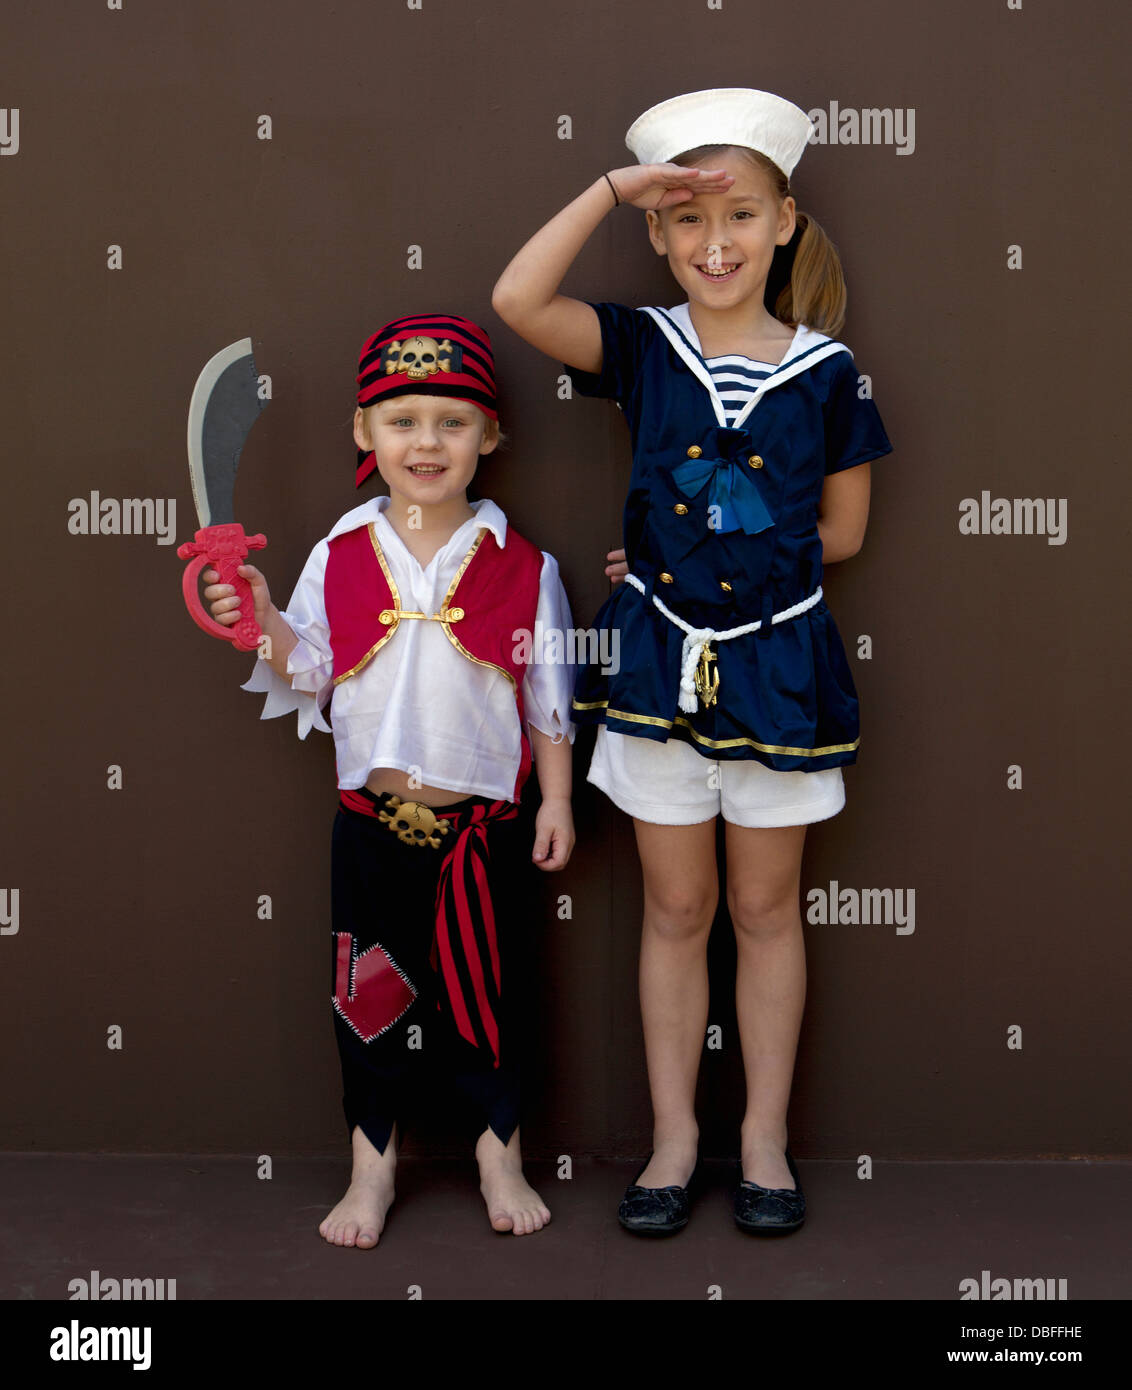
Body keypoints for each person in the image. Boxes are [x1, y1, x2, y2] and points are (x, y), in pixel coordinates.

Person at [493, 89, 892, 1234]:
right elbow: (519, 299)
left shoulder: (828, 370)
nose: (714, 244)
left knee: (766, 911)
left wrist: (726, 547)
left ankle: (760, 1137)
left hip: (777, 669)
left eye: (741, 216)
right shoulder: (642, 344)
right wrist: (614, 190)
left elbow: (844, 531)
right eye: (685, 221)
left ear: (783, 224)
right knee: (675, 909)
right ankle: (674, 1138)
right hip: (658, 665)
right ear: (661, 237)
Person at [200, 313, 576, 1245]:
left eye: (452, 422)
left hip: (481, 834)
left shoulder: (526, 568)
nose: (427, 443)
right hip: (369, 825)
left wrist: (559, 797)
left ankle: (500, 1153)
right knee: (368, 995)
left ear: (489, 436)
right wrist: (260, 616)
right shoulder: (337, 555)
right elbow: (308, 669)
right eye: (402, 420)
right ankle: (373, 1166)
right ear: (365, 433)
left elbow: (549, 696)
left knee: (490, 997)